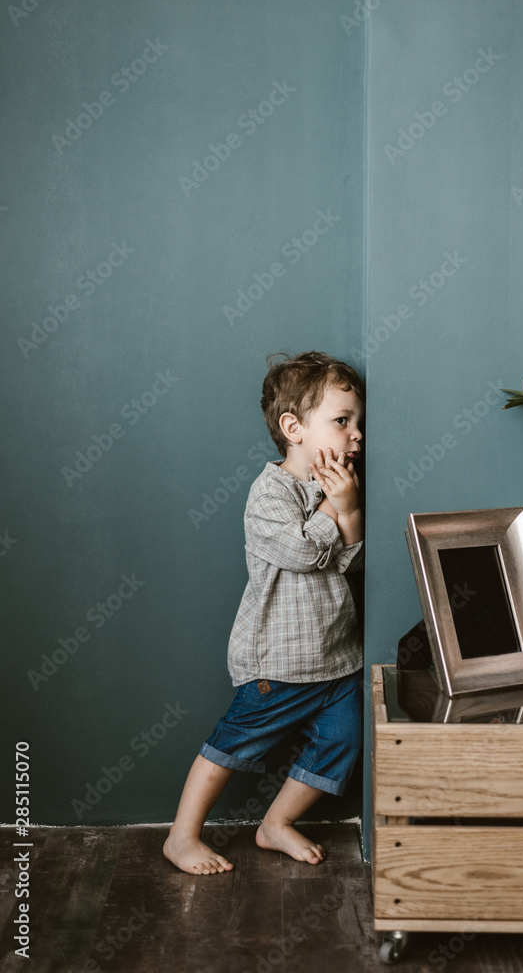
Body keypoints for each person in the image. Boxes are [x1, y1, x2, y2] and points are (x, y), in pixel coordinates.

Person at [163, 350, 365, 874]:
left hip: (337, 659)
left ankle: (275, 823)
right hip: (278, 661)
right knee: (231, 744)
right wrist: (337, 508)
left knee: (343, 740)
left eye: (358, 423)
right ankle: (181, 836)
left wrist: (351, 511)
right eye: (342, 422)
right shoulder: (269, 492)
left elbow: (347, 561)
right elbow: (301, 552)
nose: (356, 435)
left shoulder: (338, 489)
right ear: (293, 427)